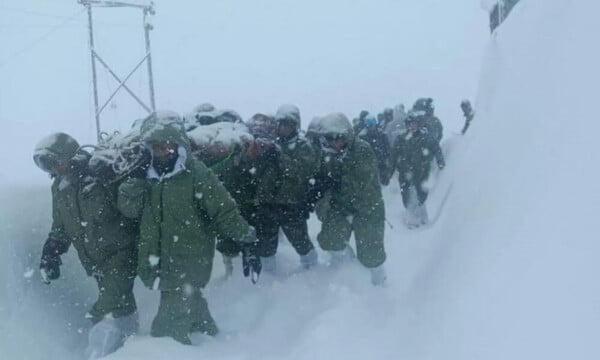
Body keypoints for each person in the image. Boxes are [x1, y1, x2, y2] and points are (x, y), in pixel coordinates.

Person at [117, 112, 261, 345]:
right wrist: (134, 181)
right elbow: (129, 209)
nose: (162, 152)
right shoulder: (147, 176)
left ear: (178, 144)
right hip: (159, 258)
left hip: (189, 260)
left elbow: (223, 210)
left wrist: (247, 240)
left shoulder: (196, 174)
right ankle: (210, 341)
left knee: (167, 333)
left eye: (167, 145)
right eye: (155, 147)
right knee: (191, 304)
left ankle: (170, 351)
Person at [33, 133, 139, 359]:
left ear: (68, 157)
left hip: (121, 253)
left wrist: (115, 179)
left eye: (53, 163)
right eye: (46, 166)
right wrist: (51, 252)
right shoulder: (59, 188)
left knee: (106, 309)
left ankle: (100, 354)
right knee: (121, 305)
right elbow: (61, 226)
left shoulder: (100, 174)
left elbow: (133, 208)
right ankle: (131, 347)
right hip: (96, 261)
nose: (51, 170)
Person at [314, 113, 387, 286]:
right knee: (330, 240)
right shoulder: (328, 154)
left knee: (371, 254)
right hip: (341, 206)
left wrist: (336, 180)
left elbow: (363, 183)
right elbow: (322, 178)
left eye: (338, 138)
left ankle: (380, 285)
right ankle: (351, 273)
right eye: (329, 138)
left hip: (368, 206)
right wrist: (321, 197)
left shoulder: (362, 149)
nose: (334, 142)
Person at [252, 104, 320, 273]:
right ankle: (268, 278)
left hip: (291, 203)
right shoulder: (271, 143)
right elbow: (258, 173)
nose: (282, 128)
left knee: (300, 240)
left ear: (295, 125)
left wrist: (279, 156)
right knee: (265, 243)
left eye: (287, 124)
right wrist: (260, 156)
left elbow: (302, 171)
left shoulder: (303, 146)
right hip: (267, 202)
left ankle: (312, 271)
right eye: (280, 124)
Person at [390, 110, 445, 228]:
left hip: (422, 172)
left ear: (418, 124)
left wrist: (440, 161)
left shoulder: (426, 137)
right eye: (410, 124)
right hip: (405, 173)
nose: (412, 126)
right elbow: (394, 156)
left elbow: (436, 148)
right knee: (406, 195)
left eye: (414, 123)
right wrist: (389, 172)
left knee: (422, 195)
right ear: (407, 125)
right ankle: (409, 216)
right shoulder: (401, 139)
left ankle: (422, 217)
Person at [359, 115, 391, 185]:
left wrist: (387, 157)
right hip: (369, 163)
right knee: (371, 182)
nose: (371, 126)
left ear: (375, 124)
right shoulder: (362, 136)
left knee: (385, 182)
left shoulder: (382, 134)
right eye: (368, 124)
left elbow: (387, 148)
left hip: (381, 160)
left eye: (372, 123)